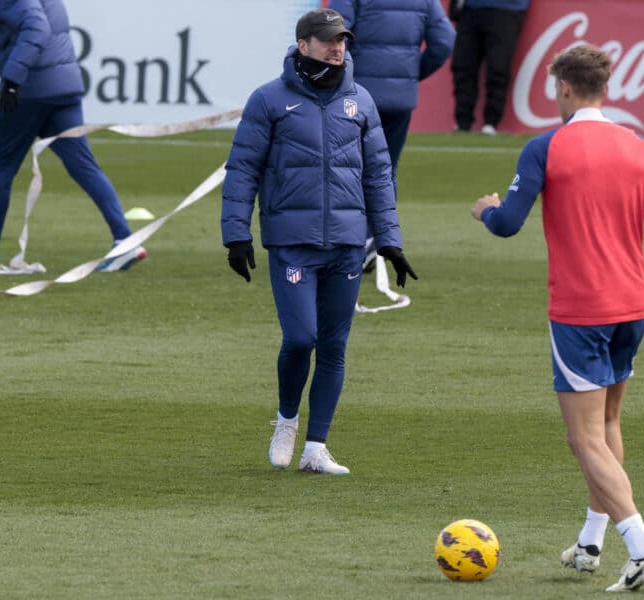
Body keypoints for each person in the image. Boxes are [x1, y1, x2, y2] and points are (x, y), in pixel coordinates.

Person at [470, 44, 644, 592]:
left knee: (584, 439)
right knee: (608, 427)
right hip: (631, 306)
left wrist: (484, 210)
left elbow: (508, 224)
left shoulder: (546, 146)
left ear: (565, 89)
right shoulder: (639, 145)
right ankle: (592, 540)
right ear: (605, 87)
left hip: (580, 311)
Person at [221, 8, 417, 475]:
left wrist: (388, 239)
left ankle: (316, 447)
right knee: (300, 338)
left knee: (333, 345)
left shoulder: (361, 101)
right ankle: (287, 420)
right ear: (303, 43)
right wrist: (236, 233)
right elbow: (243, 168)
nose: (337, 47)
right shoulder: (268, 100)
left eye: (342, 40)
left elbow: (378, 176)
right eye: (328, 40)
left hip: (347, 244)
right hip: (292, 241)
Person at [0, 0, 145, 272]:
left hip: (29, 92)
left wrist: (13, 80)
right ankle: (125, 241)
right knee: (84, 167)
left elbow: (36, 29)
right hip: (62, 90)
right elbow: (12, 39)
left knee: (0, 165)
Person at [327, 0, 455, 271]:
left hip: (356, 95)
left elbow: (333, 33)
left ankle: (348, 241)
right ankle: (378, 238)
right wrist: (409, 74)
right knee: (385, 170)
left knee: (344, 167)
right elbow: (444, 40)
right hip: (399, 100)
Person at [449, 0, 528, 135]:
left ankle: (491, 123)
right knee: (463, 66)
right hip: (469, 9)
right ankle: (462, 122)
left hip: (506, 9)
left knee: (498, 67)